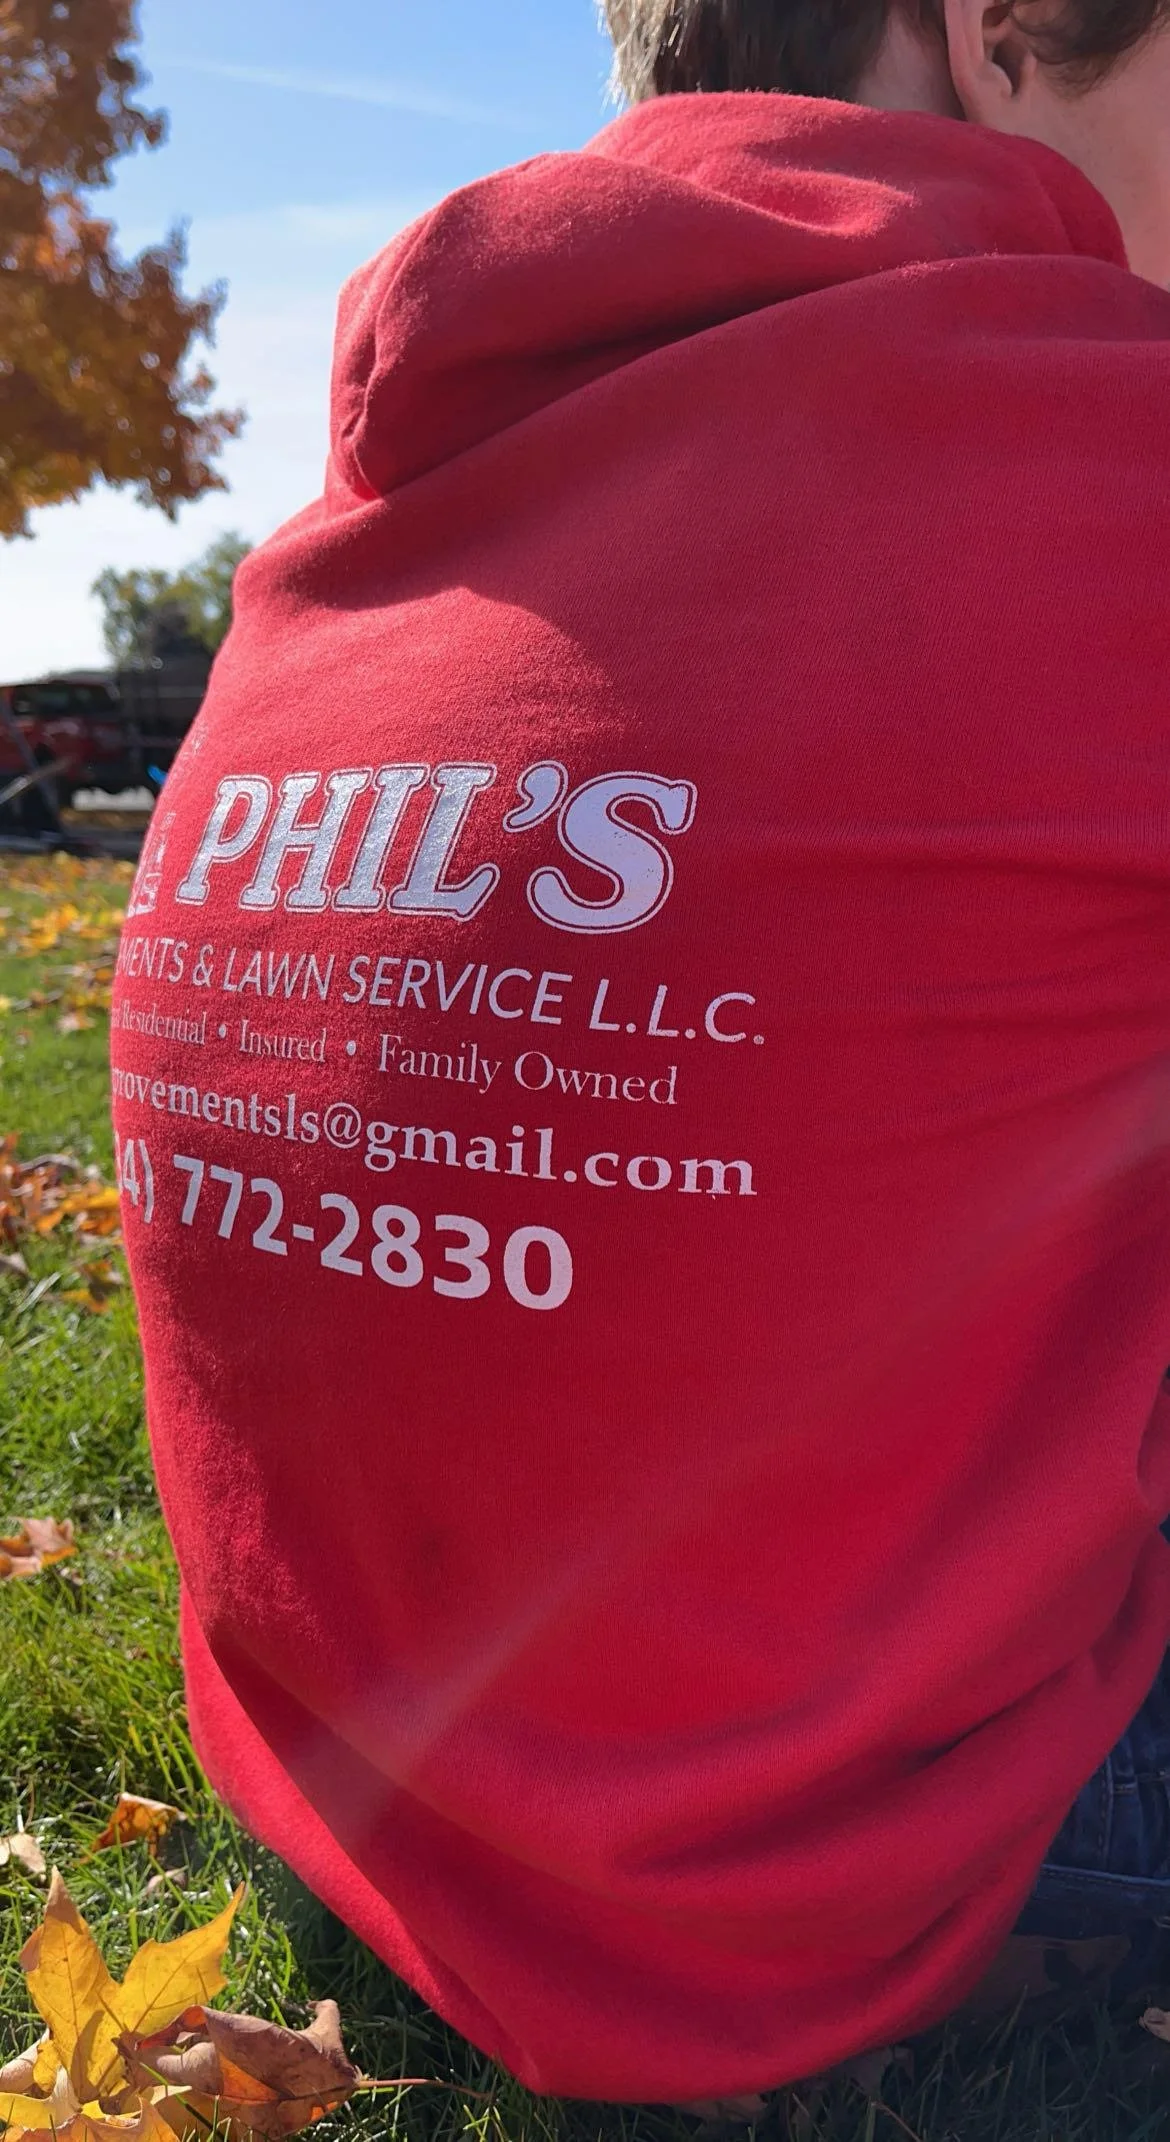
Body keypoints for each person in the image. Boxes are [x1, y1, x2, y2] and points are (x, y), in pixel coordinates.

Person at [112, 0, 1170, 2110]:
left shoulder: (366, 518)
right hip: (881, 1878)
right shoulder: (1106, 456)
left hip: (374, 1798)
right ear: (995, 32)